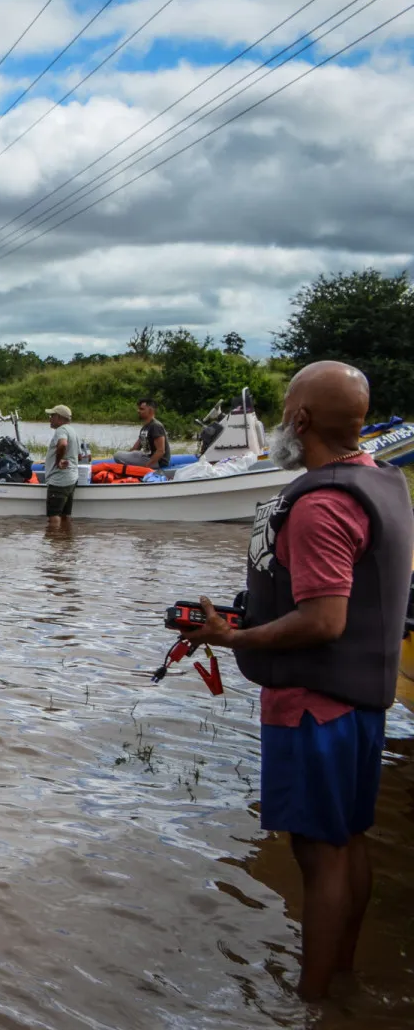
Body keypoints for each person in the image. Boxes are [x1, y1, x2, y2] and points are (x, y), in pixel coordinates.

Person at [181, 361, 412, 1001]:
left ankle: (312, 1004)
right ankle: (341, 980)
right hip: (362, 702)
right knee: (348, 841)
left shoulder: (320, 505)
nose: (284, 417)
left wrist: (233, 638)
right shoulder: (383, 481)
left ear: (301, 419)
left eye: (288, 406)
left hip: (316, 707)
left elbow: (323, 619)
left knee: (318, 853)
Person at [43, 404, 83, 535]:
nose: (50, 419)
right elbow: (79, 455)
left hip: (59, 481)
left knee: (53, 517)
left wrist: (58, 461)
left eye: (52, 416)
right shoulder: (73, 431)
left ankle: (55, 544)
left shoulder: (61, 430)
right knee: (65, 515)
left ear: (59, 418)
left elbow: (63, 444)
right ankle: (66, 540)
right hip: (71, 479)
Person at [115, 397, 170, 468]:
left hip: (158, 462)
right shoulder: (145, 427)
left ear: (150, 411)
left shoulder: (156, 426)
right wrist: (128, 455)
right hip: (146, 456)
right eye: (139, 409)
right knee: (121, 454)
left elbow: (161, 451)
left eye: (141, 409)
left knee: (117, 455)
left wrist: (146, 467)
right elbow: (136, 447)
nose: (138, 411)